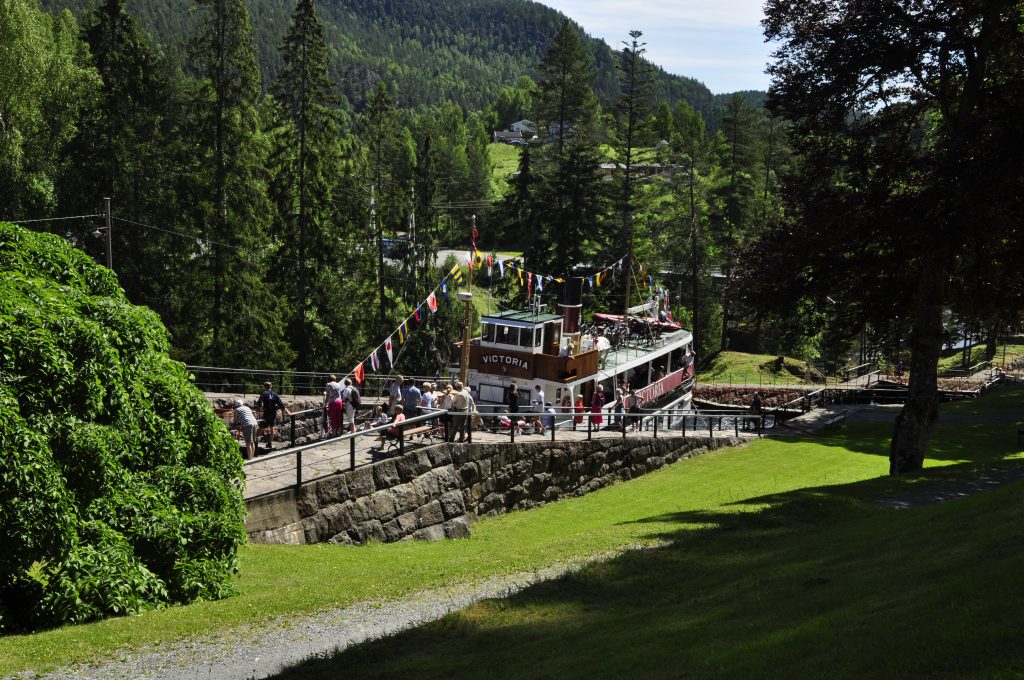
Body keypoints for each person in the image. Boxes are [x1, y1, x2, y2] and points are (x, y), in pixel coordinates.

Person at [256, 381, 288, 447]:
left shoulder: (264, 393)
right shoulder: (275, 394)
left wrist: (261, 408)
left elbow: (259, 401)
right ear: (271, 387)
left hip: (267, 413)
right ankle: (270, 442)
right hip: (273, 413)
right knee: (272, 427)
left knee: (261, 427)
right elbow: (281, 405)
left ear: (265, 387)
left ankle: (254, 440)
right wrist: (288, 412)